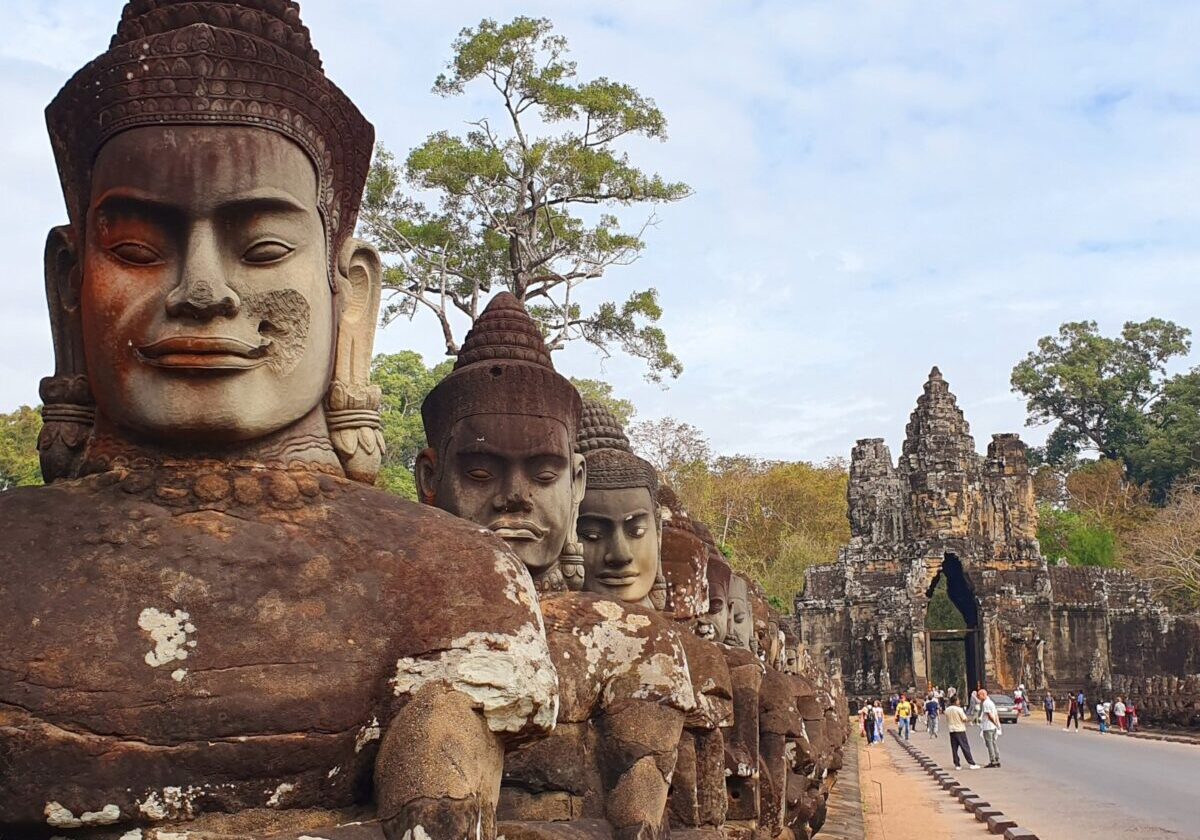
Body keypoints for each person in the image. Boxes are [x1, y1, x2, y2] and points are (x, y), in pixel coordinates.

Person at [945, 695, 980, 771]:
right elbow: (964, 719)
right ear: (956, 701)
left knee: (954, 748)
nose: (959, 701)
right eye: (958, 700)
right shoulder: (959, 709)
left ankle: (957, 764)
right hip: (960, 729)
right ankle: (971, 763)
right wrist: (969, 720)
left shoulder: (947, 710)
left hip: (952, 730)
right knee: (965, 747)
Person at [978, 688, 1002, 768]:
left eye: (979, 695)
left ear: (983, 695)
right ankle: (997, 759)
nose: (978, 697)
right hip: (993, 726)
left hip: (988, 726)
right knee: (994, 743)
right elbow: (995, 714)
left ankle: (993, 760)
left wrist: (995, 723)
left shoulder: (986, 703)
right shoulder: (991, 702)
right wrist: (997, 724)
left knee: (990, 744)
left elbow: (990, 716)